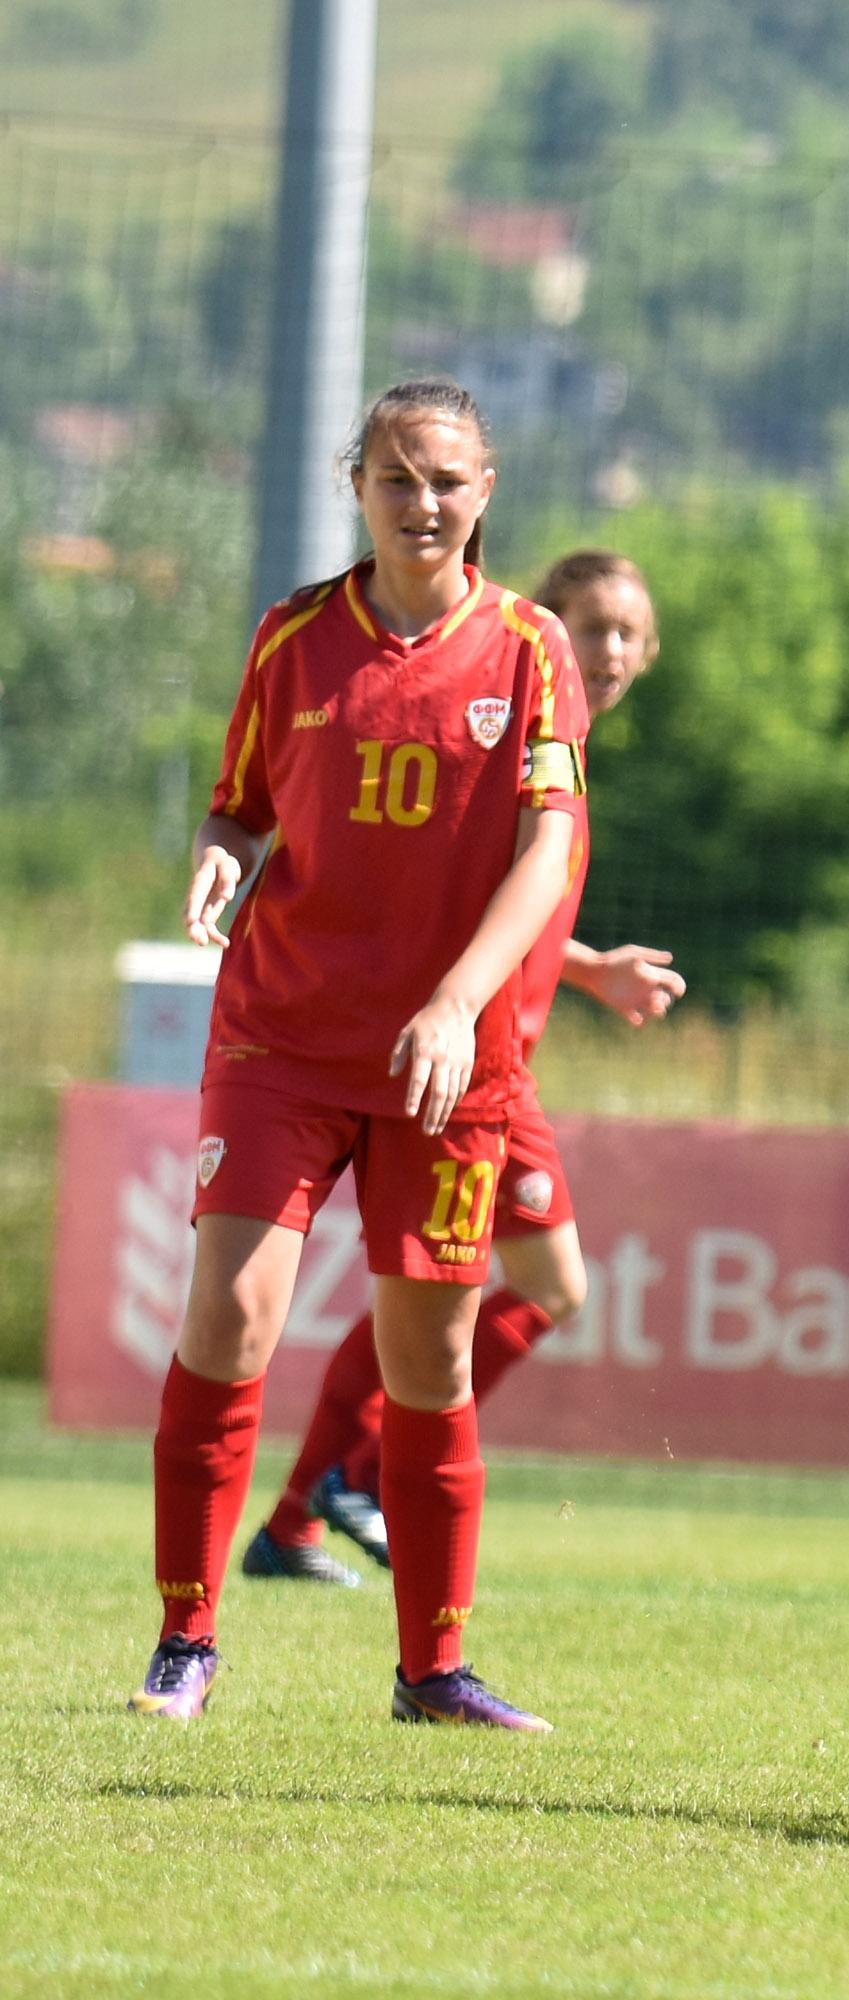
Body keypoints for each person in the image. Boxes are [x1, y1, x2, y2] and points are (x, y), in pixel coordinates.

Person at [132, 379, 587, 1731]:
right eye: (397, 477)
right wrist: (218, 866)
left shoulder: (529, 648)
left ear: (486, 492)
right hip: (283, 1036)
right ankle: (186, 1640)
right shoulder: (292, 642)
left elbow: (548, 843)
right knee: (231, 1316)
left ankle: (432, 1672)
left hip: (449, 1062)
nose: (423, 502)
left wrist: (454, 1003)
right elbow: (238, 814)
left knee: (427, 1366)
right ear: (358, 490)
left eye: (447, 479)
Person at [241, 552, 679, 1590]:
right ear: (544, 624)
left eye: (629, 632)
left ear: (650, 653)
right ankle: (356, 1472)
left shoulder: (558, 757)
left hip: (490, 1054)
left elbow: (510, 904)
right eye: (589, 624)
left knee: (495, 1284)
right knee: (515, 1284)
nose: (607, 648)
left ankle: (304, 1512)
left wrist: (586, 968)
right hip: (464, 1056)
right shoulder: (506, 728)